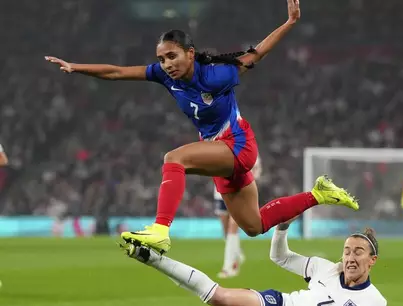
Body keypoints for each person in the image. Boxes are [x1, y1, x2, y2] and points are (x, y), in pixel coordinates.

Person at [45, 0, 358, 255]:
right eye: (162, 58)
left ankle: (160, 230)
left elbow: (257, 54)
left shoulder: (216, 75)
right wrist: (76, 67)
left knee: (173, 159)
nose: (167, 64)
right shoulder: (164, 76)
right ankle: (319, 194)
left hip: (238, 146)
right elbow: (115, 73)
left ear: (189, 53)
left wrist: (289, 22)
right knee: (254, 225)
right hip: (222, 157)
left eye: (172, 56)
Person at [112, 221, 389, 306]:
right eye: (347, 251)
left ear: (371, 260)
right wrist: (282, 227)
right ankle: (150, 257)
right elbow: (280, 257)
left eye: (358, 253)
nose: (350, 258)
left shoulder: (373, 301)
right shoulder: (325, 268)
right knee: (218, 296)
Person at [214, 155, 262, 278]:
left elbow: (256, 172)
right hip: (220, 193)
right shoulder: (221, 150)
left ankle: (229, 267)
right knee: (226, 231)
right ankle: (237, 253)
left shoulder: (249, 151)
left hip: (240, 193)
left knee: (232, 227)